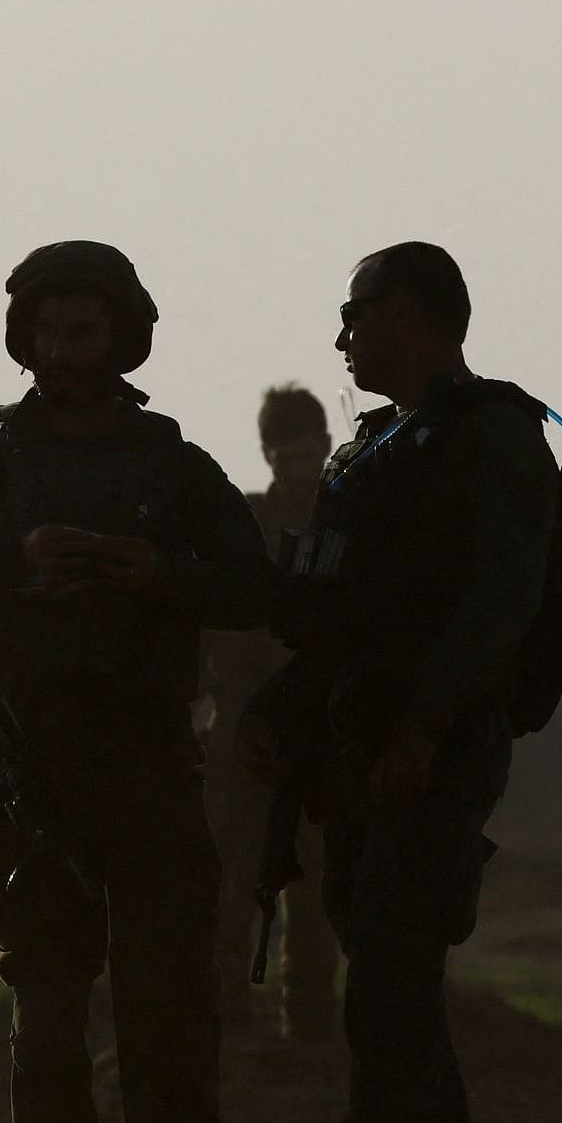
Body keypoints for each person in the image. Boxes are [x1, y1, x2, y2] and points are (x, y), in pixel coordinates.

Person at [0, 243, 275, 1123]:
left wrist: (154, 571)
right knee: (48, 1006)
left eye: (83, 331)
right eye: (46, 332)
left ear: (123, 338)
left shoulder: (174, 468)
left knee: (167, 1004)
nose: (61, 352)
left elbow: (254, 586)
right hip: (32, 768)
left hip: (148, 760)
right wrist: (14, 562)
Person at [243, 243, 555, 1123]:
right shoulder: (365, 454)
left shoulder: (492, 439)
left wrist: (424, 728)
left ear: (411, 316)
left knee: (390, 961)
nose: (342, 335)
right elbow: (328, 613)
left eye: (357, 312)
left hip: (431, 747)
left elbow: (500, 602)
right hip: (354, 746)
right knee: (384, 964)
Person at [206, 385, 344, 1041]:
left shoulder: (350, 521)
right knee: (232, 882)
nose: (295, 469)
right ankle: (227, 1024)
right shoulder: (248, 528)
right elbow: (227, 628)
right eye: (283, 457)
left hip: (323, 731)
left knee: (316, 892)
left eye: (305, 454)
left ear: (324, 446)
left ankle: (309, 1028)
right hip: (252, 728)